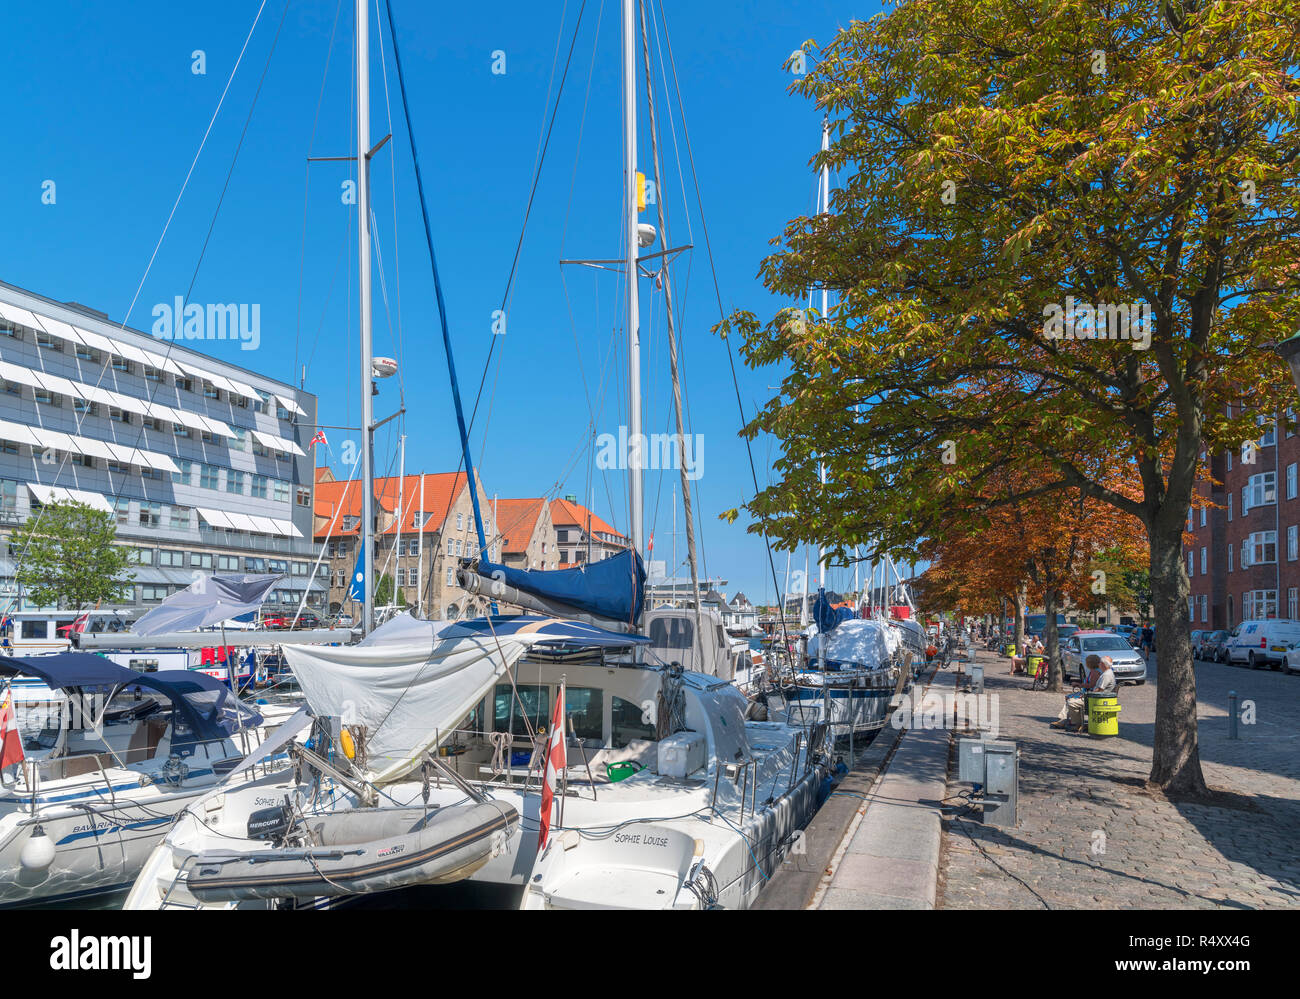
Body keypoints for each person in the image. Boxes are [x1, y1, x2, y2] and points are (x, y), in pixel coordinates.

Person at [1052, 655, 1116, 730]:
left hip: (1096, 700)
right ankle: (1065, 721)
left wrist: (1085, 694)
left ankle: (1075, 723)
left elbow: (1098, 690)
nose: (1099, 664)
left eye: (1100, 663)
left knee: (1071, 701)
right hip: (1096, 697)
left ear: (1103, 664)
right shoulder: (1107, 673)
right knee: (1071, 699)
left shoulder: (1106, 675)